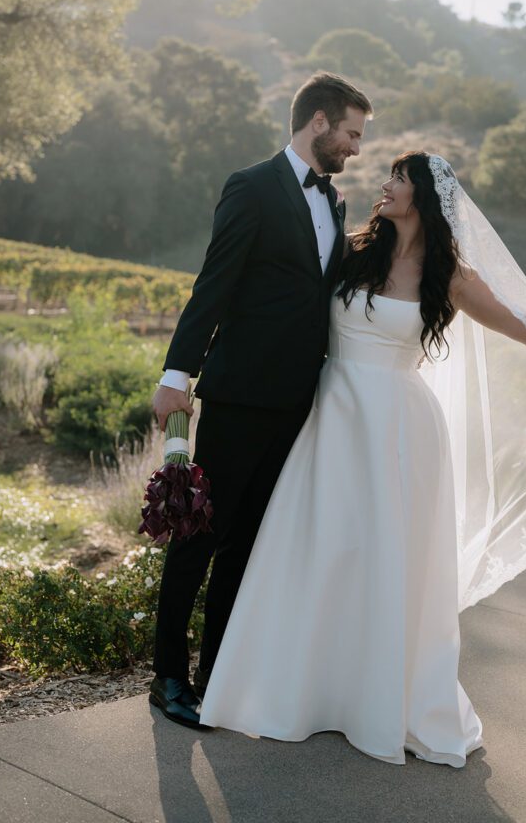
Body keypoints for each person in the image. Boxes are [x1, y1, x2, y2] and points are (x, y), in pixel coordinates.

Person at [196, 150, 526, 766]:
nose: (384, 184)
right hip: (331, 418)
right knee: (318, 547)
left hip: (400, 430)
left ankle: (373, 700)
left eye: (397, 178)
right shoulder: (353, 251)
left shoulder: (449, 275)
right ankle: (301, 690)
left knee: (384, 559)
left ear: (422, 196)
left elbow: (524, 323)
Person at [148, 71, 374, 729]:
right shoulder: (251, 186)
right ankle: (168, 676)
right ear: (318, 122)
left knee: (247, 545)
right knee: (199, 534)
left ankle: (218, 676)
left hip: (300, 403)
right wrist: (176, 374)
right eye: (352, 133)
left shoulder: (335, 204)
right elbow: (213, 284)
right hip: (240, 394)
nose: (356, 147)